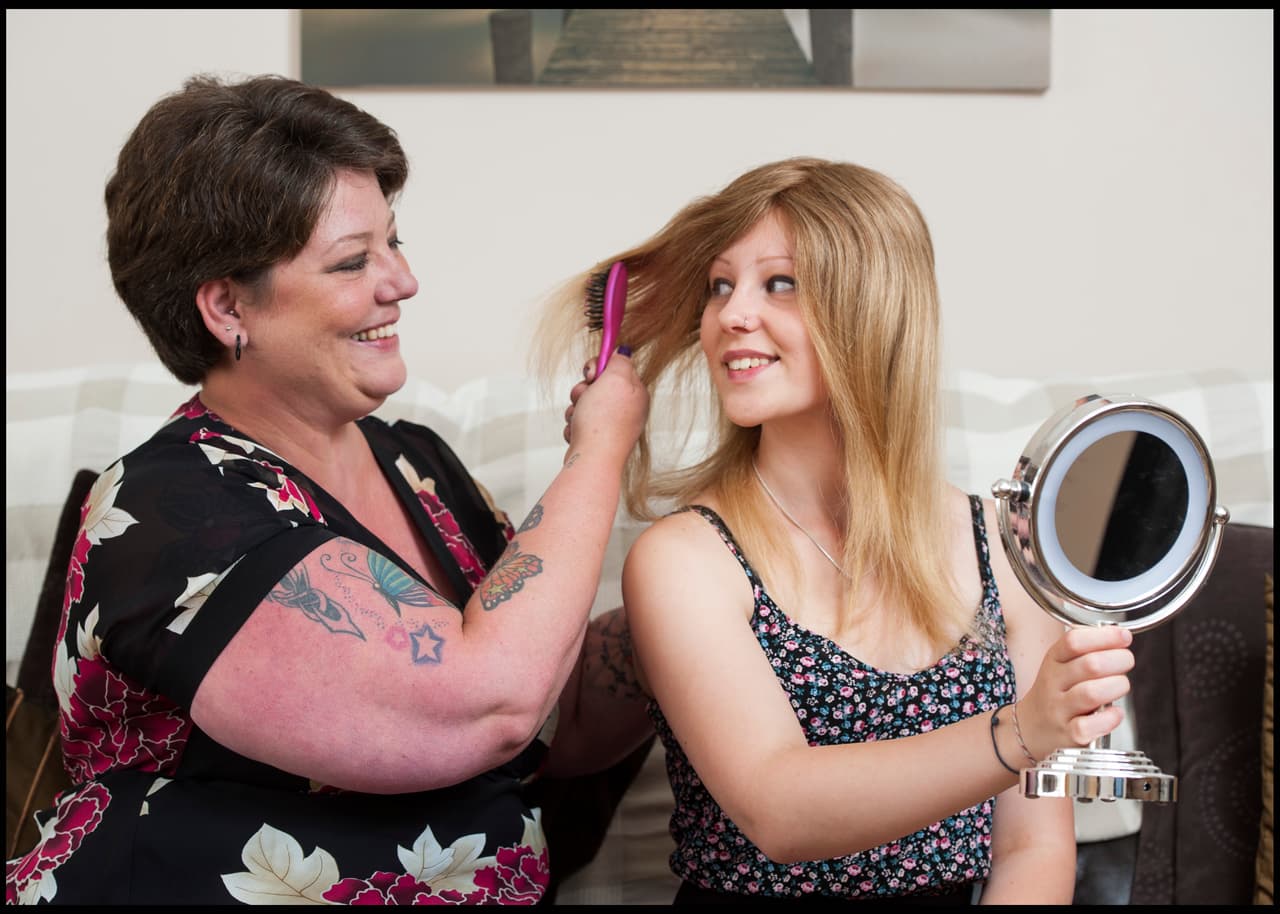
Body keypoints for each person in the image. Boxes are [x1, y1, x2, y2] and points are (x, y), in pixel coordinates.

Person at [4, 73, 651, 906]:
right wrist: (598, 453)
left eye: (394, 242)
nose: (402, 282)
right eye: (352, 261)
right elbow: (486, 705)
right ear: (228, 308)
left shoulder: (417, 463)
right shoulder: (169, 510)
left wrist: (695, 602)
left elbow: (553, 708)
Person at [542, 157, 1135, 904]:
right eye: (720, 286)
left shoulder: (1002, 548)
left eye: (779, 283)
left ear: (873, 310)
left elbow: (1033, 848)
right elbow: (778, 808)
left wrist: (1037, 731)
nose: (731, 315)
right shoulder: (685, 560)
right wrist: (1022, 731)